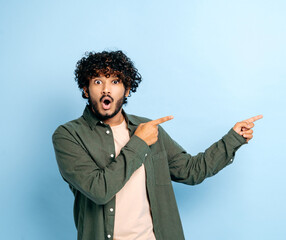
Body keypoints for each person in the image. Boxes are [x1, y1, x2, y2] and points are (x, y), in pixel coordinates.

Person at [52, 50, 262, 240]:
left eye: (115, 81)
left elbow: (191, 171)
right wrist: (139, 143)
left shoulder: (149, 129)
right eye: (98, 82)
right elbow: (98, 190)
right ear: (86, 90)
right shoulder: (69, 135)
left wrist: (233, 138)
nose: (106, 89)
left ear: (126, 90)